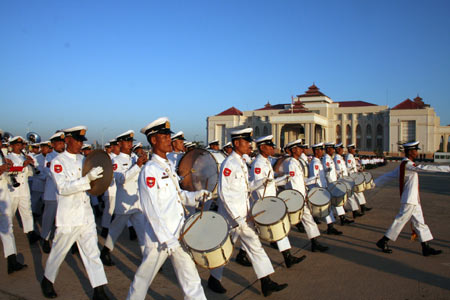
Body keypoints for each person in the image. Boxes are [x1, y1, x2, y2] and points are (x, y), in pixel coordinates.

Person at [127, 117, 210, 300]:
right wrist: (167, 239)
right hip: (159, 239)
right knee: (143, 280)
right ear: (154, 140)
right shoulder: (150, 171)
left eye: (168, 136)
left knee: (191, 278)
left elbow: (179, 196)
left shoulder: (168, 167)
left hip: (179, 231)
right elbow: (150, 209)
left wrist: (197, 196)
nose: (168, 140)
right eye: (164, 136)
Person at [208, 128, 288, 297]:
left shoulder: (241, 162)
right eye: (247, 142)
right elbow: (224, 193)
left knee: (253, 247)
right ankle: (214, 278)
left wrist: (261, 182)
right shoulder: (229, 164)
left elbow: (245, 188)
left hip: (243, 214)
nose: (250, 145)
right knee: (227, 248)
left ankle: (265, 282)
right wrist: (236, 218)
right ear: (237, 143)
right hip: (233, 217)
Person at [40, 126, 109, 300]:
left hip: (85, 214)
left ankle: (99, 290)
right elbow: (63, 188)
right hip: (69, 216)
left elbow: (93, 185)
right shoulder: (58, 162)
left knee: (92, 252)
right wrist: (87, 179)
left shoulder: (84, 160)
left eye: (81, 141)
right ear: (67, 140)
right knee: (59, 251)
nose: (80, 144)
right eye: (77, 140)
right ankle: (47, 280)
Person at [375, 141, 449, 256]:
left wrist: (373, 183)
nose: (417, 152)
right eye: (415, 150)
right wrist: (447, 169)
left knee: (420, 223)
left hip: (414, 200)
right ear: (410, 152)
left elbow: (387, 176)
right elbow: (425, 168)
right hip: (409, 200)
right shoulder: (408, 165)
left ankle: (425, 247)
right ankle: (383, 241)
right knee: (400, 220)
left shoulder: (403, 165)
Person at [248, 135, 306, 267]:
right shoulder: (258, 163)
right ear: (262, 147)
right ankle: (287, 257)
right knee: (253, 233)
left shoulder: (266, 161)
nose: (273, 148)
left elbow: (270, 182)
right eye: (270, 146)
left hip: (270, 199)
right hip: (264, 202)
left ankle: (288, 257)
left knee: (268, 231)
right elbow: (258, 186)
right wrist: (265, 202)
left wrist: (282, 179)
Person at [100, 130, 148, 266]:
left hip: (136, 201)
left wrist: (143, 164)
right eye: (127, 141)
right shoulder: (115, 161)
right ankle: (106, 251)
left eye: (131, 141)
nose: (130, 144)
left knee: (142, 231)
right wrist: (137, 165)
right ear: (120, 143)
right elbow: (122, 179)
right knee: (115, 230)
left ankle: (148, 258)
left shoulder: (134, 158)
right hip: (123, 203)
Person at [284, 139, 329, 252]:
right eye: (299, 148)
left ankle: (314, 243)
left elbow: (301, 182)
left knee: (308, 220)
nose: (302, 150)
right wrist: (300, 199)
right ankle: (280, 244)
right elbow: (294, 184)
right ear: (294, 150)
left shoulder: (296, 162)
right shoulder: (291, 164)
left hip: (300, 197)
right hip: (296, 199)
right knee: (286, 223)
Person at [7, 136, 41, 244]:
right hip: (13, 190)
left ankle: (30, 232)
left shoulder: (24, 157)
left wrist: (33, 165)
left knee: (27, 211)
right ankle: (6, 233)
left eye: (21, 145)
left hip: (24, 189)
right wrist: (23, 165)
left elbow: (30, 173)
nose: (19, 147)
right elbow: (8, 171)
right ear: (11, 146)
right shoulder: (7, 157)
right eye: (17, 145)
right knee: (10, 213)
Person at [0, 138, 27, 274]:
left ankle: (12, 261)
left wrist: (8, 168)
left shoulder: (2, 156)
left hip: (3, 195)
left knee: (7, 227)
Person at [308, 143, 342, 235]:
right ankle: (330, 227)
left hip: (322, 188)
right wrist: (321, 190)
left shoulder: (318, 161)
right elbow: (316, 178)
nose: (322, 152)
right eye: (321, 150)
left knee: (327, 209)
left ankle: (330, 226)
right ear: (316, 151)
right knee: (325, 209)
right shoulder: (315, 163)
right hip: (320, 189)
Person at [41, 132, 66, 253]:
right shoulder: (50, 157)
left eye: (63, 143)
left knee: (62, 219)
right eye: (59, 143)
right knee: (48, 218)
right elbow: (49, 172)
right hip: (52, 192)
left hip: (64, 194)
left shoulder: (67, 156)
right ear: (53, 144)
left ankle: (59, 241)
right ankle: (45, 238)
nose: (62, 145)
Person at [322, 142, 354, 226]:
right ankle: (339, 219)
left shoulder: (330, 158)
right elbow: (327, 173)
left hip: (333, 182)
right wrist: (332, 184)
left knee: (336, 202)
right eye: (332, 149)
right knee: (335, 201)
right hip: (331, 184)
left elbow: (333, 171)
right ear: (328, 149)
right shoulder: (326, 159)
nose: (333, 150)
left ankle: (340, 218)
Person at [333, 143, 363, 218]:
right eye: (341, 149)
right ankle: (349, 212)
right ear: (338, 149)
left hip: (345, 179)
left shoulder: (340, 157)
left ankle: (353, 211)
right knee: (347, 196)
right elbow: (339, 170)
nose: (343, 150)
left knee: (349, 196)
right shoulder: (337, 158)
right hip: (343, 180)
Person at [346, 144, 372, 214]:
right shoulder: (349, 157)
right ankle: (357, 210)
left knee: (359, 192)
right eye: (353, 149)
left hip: (355, 176)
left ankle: (362, 207)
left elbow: (353, 167)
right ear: (350, 149)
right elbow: (349, 168)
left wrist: (358, 169)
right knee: (355, 193)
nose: (354, 150)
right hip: (352, 177)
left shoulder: (351, 156)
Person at [30, 141, 52, 217]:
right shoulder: (36, 158)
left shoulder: (51, 157)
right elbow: (36, 171)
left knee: (46, 201)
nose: (48, 150)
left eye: (49, 148)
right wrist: (46, 177)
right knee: (34, 201)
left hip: (47, 184)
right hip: (38, 183)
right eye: (46, 148)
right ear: (42, 148)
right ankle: (32, 214)